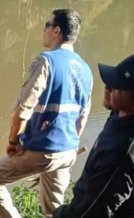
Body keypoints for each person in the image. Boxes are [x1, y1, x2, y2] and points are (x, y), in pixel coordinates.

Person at [0, 9, 93, 218]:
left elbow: (22, 109)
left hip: (44, 149)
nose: (44, 29)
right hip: (67, 151)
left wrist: (13, 141)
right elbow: (83, 116)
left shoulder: (46, 61)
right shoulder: (85, 69)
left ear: (57, 31)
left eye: (47, 25)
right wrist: (69, 144)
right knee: (54, 211)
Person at [53, 54, 134, 218]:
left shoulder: (122, 153)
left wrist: (58, 215)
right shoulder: (119, 114)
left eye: (116, 85)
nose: (107, 86)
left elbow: (95, 211)